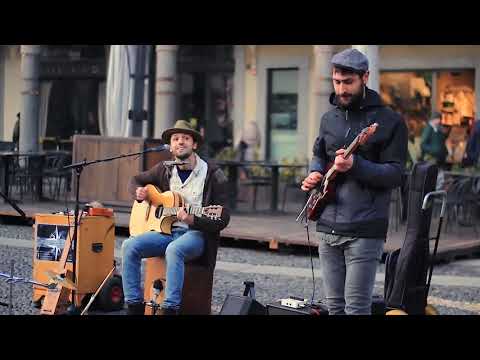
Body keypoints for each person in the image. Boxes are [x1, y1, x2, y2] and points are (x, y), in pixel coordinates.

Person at [301, 48, 408, 315]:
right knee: (334, 307)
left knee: (357, 309)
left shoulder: (390, 121)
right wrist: (315, 173)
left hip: (364, 228)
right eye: (337, 82)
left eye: (348, 82)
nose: (341, 89)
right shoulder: (329, 118)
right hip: (326, 224)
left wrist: (355, 165)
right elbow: (319, 153)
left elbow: (395, 174)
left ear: (365, 77)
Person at [122, 120, 230, 315]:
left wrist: (192, 220)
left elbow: (223, 218)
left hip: (196, 235)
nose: (180, 142)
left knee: (174, 250)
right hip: (166, 231)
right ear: (170, 146)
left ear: (194, 144)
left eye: (186, 138)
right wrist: (138, 192)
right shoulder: (165, 168)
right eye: (176, 139)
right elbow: (136, 180)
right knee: (129, 246)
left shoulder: (213, 174)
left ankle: (170, 308)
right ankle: (134, 306)